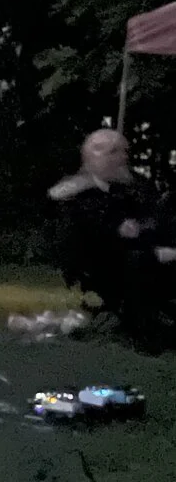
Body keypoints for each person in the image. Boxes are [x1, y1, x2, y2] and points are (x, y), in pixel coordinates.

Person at [50, 129, 174, 353]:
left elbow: (153, 221)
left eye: (124, 152)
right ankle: (142, 333)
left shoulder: (134, 189)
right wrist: (152, 250)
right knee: (139, 263)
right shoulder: (75, 194)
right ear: (92, 156)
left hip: (140, 257)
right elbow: (95, 238)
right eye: (113, 152)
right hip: (101, 269)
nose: (122, 158)